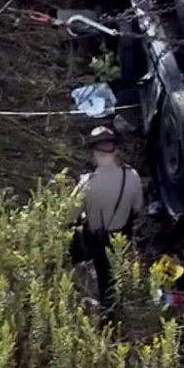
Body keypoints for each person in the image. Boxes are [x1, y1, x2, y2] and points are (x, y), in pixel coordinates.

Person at [70, 125, 144, 307]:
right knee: (117, 271)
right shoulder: (132, 176)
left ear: (94, 153)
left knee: (103, 278)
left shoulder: (87, 184)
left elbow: (70, 216)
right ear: (116, 150)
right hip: (122, 236)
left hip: (97, 240)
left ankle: (107, 309)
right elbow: (138, 208)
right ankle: (119, 300)